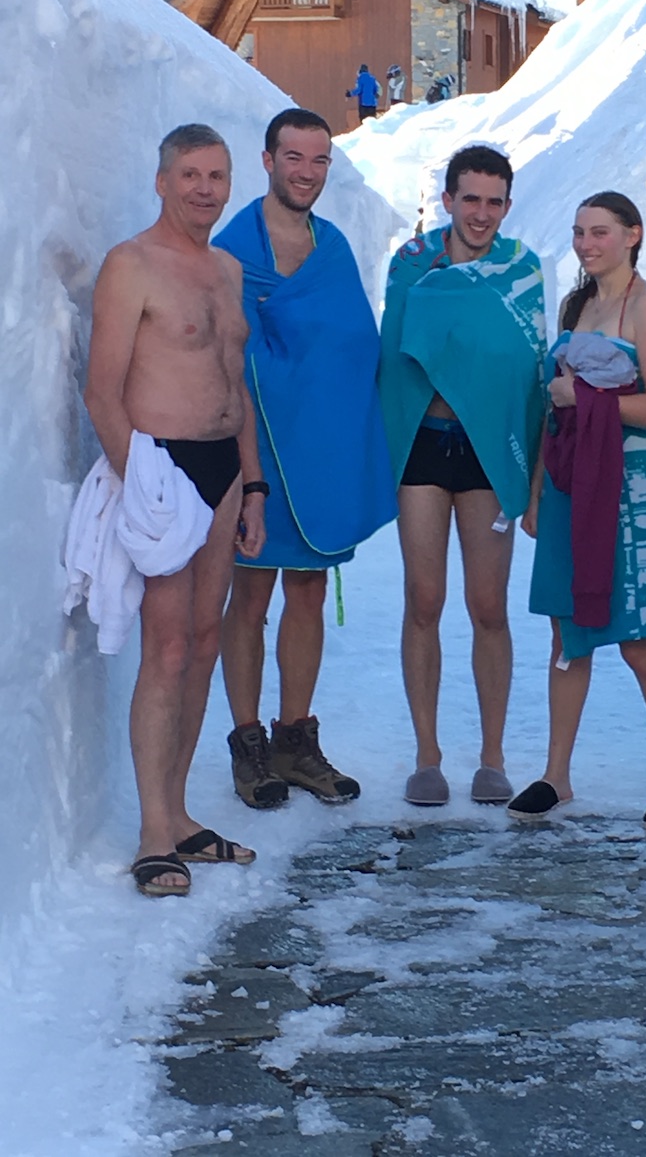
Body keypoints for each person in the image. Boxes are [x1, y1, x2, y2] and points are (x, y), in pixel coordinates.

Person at [80, 124, 266, 897]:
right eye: (189, 174)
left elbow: (238, 383)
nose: (204, 188)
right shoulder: (131, 265)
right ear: (161, 180)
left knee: (200, 639)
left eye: (216, 175)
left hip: (223, 472)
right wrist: (141, 481)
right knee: (164, 648)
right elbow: (101, 388)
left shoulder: (227, 268)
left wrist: (252, 484)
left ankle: (183, 811)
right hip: (163, 468)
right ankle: (155, 834)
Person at [216, 109, 396, 809]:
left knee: (309, 592)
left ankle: (296, 739)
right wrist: (251, 472)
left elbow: (355, 350)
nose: (306, 171)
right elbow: (236, 362)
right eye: (294, 157)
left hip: (319, 450)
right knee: (251, 592)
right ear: (267, 160)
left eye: (319, 160)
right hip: (256, 450)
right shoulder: (234, 249)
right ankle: (248, 744)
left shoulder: (334, 248)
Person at [507, 192, 646, 830]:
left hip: (634, 484)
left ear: (633, 234)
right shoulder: (577, 306)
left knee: (641, 638)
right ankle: (555, 775)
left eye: (601, 232)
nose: (588, 244)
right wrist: (536, 493)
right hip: (569, 484)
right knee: (567, 633)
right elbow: (553, 417)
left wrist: (581, 396)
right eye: (579, 232)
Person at [379, 144, 547, 806]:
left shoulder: (522, 269)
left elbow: (529, 369)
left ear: (508, 204)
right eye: (469, 198)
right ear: (447, 199)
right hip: (423, 440)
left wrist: (531, 470)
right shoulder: (412, 263)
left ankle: (493, 755)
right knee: (424, 598)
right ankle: (427, 754)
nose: (481, 213)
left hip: (488, 448)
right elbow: (394, 358)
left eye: (494, 200)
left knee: (488, 605)